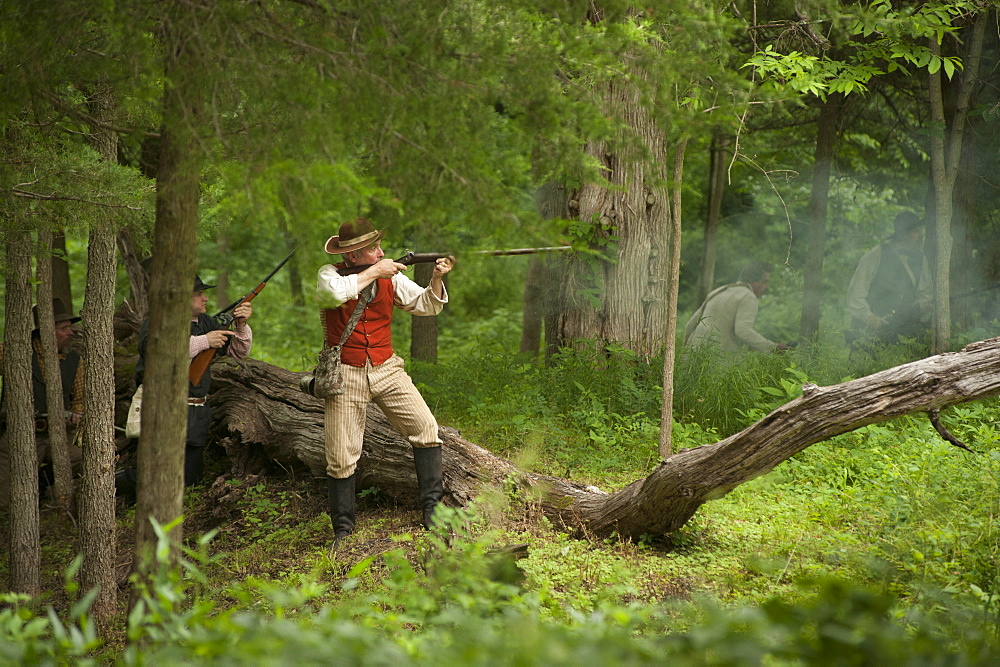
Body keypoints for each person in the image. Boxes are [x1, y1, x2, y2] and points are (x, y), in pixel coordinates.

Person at [316, 217, 452, 545]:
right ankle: (344, 531)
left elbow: (427, 306)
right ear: (352, 257)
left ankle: (432, 511)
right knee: (341, 454)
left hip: (387, 367)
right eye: (372, 249)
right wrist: (376, 271)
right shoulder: (329, 274)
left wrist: (436, 278)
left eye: (378, 246)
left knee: (426, 429)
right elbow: (335, 295)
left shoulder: (391, 277)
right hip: (345, 371)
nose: (380, 252)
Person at [134, 275, 253, 486]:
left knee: (191, 477)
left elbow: (237, 352)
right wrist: (204, 341)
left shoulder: (206, 322)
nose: (205, 299)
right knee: (156, 475)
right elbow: (159, 352)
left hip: (196, 410)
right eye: (198, 294)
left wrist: (240, 324)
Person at [0, 298, 84, 508]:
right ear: (46, 331)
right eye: (64, 328)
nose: (70, 333)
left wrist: (76, 413)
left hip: (58, 437)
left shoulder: (74, 360)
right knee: (6, 502)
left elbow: (80, 398)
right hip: (20, 437)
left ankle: (42, 481)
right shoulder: (15, 353)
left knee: (86, 459)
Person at [846, 211, 931, 345]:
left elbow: (924, 294)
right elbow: (856, 294)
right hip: (870, 332)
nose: (919, 235)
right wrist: (870, 318)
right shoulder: (875, 255)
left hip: (904, 332)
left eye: (919, 231)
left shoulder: (921, 259)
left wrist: (922, 307)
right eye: (915, 231)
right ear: (903, 234)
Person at [684, 260, 788, 354]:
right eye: (765, 282)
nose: (767, 287)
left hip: (692, 358)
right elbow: (743, 330)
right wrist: (772, 347)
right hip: (715, 364)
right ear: (753, 281)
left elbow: (690, 325)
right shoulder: (748, 296)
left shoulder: (719, 291)